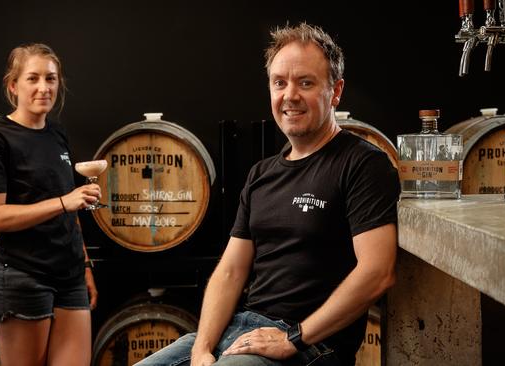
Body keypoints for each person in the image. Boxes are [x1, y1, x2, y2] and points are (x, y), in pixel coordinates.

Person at [135, 22, 400, 366]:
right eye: (279, 83)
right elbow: (230, 271)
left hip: (311, 345)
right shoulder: (262, 174)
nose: (289, 95)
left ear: (335, 91)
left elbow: (378, 272)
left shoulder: (363, 164)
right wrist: (202, 348)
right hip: (242, 330)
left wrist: (294, 338)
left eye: (305, 82)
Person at [0, 43, 99, 366]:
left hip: (69, 277)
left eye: (51, 79)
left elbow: (70, 210)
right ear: (13, 86)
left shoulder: (57, 135)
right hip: (23, 277)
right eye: (33, 78)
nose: (44, 87)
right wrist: (63, 201)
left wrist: (84, 264)